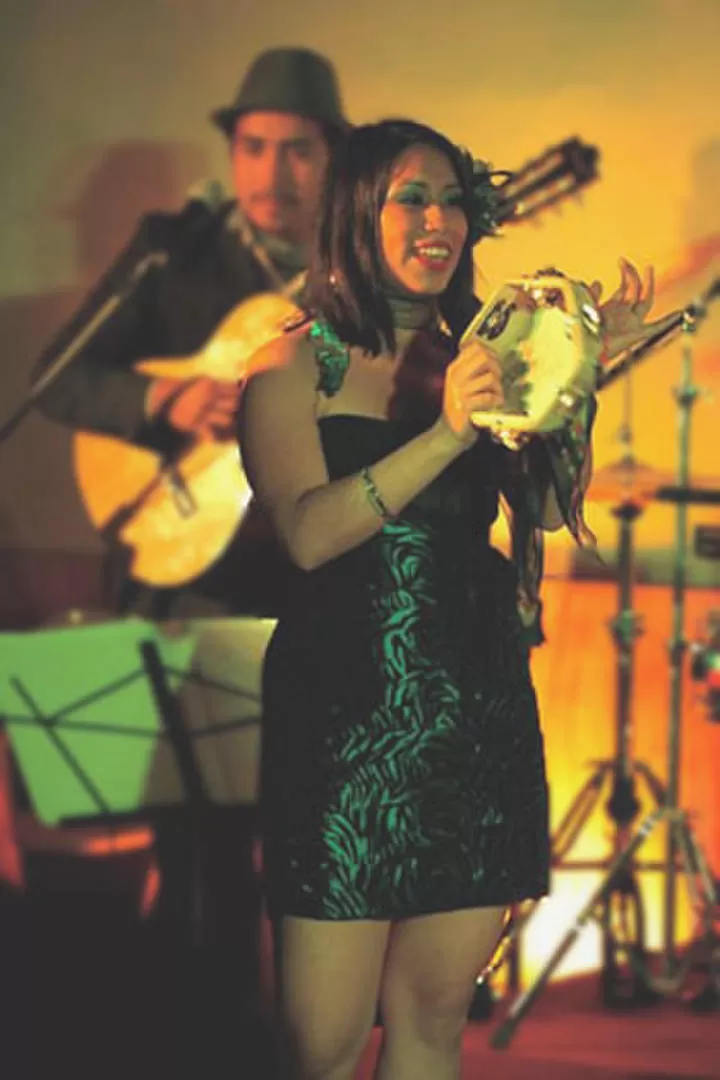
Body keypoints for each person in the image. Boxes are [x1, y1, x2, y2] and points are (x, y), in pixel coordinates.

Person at [237, 118, 666, 1080]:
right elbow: (307, 535)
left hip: (473, 710)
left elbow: (548, 509)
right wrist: (446, 432)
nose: (440, 222)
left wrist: (576, 380)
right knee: (321, 1041)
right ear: (357, 211)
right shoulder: (293, 364)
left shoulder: (487, 351)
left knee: (433, 1022)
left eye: (453, 203)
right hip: (345, 725)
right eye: (412, 199)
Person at [29, 46, 349, 1073]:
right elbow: (61, 377)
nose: (272, 172)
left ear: (333, 159)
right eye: (253, 147)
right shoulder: (175, 251)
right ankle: (196, 1033)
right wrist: (164, 398)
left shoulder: (353, 272)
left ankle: (288, 1036)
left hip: (299, 579)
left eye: (296, 150)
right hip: (183, 568)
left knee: (291, 833)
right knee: (193, 832)